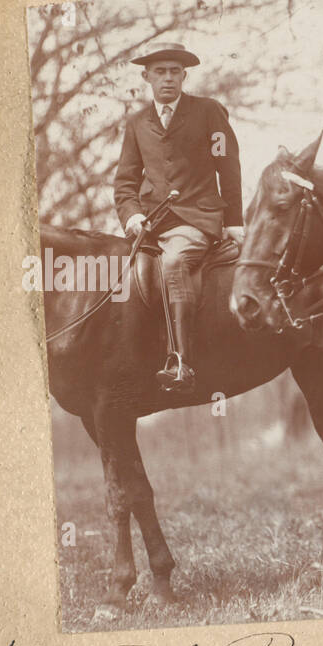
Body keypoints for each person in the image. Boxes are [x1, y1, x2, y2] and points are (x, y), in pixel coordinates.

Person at [113, 42, 243, 392]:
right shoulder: (136, 124)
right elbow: (125, 181)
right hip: (152, 225)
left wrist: (233, 222)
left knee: (174, 264)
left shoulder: (208, 112)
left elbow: (227, 167)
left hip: (198, 219)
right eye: (160, 72)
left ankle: (182, 362)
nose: (167, 79)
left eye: (174, 72)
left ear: (184, 76)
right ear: (146, 77)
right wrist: (132, 217)